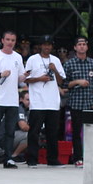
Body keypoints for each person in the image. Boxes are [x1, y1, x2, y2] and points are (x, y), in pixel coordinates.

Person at [0, 30, 27, 169]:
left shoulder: (18, 57)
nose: (10, 43)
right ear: (2, 40)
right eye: (8, 39)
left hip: (12, 100)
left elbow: (20, 79)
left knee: (10, 131)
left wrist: (26, 75)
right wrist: (0, 75)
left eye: (13, 40)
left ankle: (8, 158)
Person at [24, 35, 65, 167]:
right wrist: (39, 78)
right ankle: (32, 159)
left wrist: (54, 70)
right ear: (40, 46)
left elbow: (61, 81)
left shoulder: (56, 61)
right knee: (34, 132)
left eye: (49, 45)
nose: (47, 47)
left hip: (52, 102)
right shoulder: (32, 59)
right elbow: (26, 79)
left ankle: (52, 159)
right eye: (45, 44)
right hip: (37, 102)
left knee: (52, 133)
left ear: (52, 47)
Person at [62, 36, 93, 168]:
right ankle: (78, 158)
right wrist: (78, 82)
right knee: (76, 132)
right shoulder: (69, 64)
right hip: (76, 102)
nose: (82, 46)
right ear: (75, 47)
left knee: (92, 132)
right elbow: (65, 84)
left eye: (84, 44)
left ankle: (91, 157)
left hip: (90, 102)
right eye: (79, 44)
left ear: (87, 47)